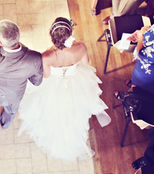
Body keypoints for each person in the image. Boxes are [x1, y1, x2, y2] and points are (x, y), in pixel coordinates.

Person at [17, 18, 110, 162]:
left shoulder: (46, 56)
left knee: (54, 113)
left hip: (53, 86)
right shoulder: (80, 47)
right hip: (76, 83)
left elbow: (46, 76)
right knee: (73, 113)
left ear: (52, 36)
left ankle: (58, 137)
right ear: (70, 34)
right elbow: (86, 63)